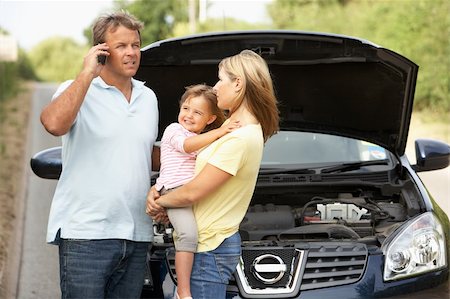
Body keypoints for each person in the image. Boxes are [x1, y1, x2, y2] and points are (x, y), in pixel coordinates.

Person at [40, 11, 159, 298]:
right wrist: (86, 74)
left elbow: (146, 155)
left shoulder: (148, 98)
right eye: (121, 46)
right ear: (101, 52)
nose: (132, 53)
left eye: (135, 45)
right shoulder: (76, 89)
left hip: (137, 235)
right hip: (86, 235)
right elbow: (54, 124)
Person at [146, 49, 279, 299]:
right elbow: (185, 169)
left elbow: (193, 192)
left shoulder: (239, 138)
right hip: (206, 245)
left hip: (209, 248)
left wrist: (157, 202)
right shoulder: (235, 132)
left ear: (238, 83)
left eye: (220, 79)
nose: (215, 87)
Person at [153, 84, 240, 299]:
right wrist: (221, 132)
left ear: (210, 119)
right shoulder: (174, 130)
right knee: (188, 235)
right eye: (186, 108)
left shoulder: (204, 141)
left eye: (197, 112)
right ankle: (183, 292)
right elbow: (186, 146)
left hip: (192, 193)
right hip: (174, 191)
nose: (189, 115)